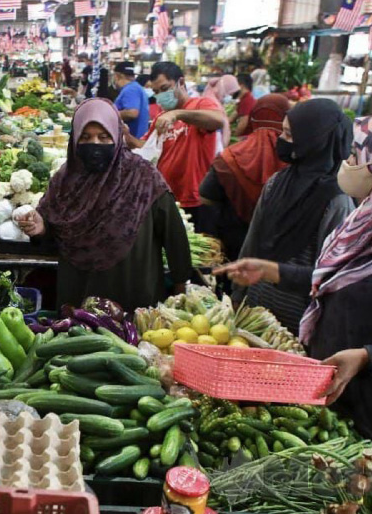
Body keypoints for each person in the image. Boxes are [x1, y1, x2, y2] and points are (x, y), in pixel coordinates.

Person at [217, 112, 372, 468]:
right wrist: (274, 272)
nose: (348, 163)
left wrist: (368, 356)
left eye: (357, 156)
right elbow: (346, 284)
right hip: (341, 380)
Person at [15, 99, 192, 311]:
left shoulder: (143, 177)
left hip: (132, 292)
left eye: (104, 136)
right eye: (86, 137)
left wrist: (181, 290)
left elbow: (174, 236)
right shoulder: (65, 180)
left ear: (117, 137)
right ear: (75, 139)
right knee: (82, 338)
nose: (95, 144)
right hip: (79, 293)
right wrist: (40, 228)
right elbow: (49, 226)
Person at [230, 98, 354, 335]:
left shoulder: (336, 200)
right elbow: (253, 241)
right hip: (255, 310)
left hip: (298, 320)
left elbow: (330, 273)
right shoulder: (278, 182)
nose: (281, 141)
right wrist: (238, 294)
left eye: (288, 134)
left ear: (312, 140)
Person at [198, 94, 291, 262]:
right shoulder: (296, 161)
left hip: (234, 248)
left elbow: (206, 196)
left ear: (253, 117)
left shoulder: (229, 158)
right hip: (281, 255)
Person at [148, 61, 226, 235]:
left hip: (196, 199)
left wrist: (178, 114)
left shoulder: (201, 104)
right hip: (169, 198)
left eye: (164, 88)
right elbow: (146, 148)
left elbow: (218, 120)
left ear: (181, 83)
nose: (160, 95)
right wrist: (127, 136)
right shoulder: (161, 117)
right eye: (156, 92)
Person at [113, 61, 150, 138]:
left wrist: (109, 114)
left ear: (117, 76)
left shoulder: (130, 89)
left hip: (132, 140)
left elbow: (132, 113)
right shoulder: (135, 87)